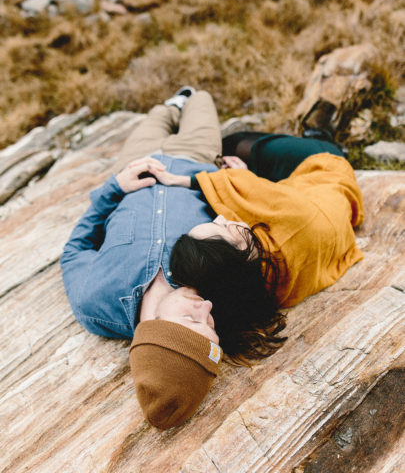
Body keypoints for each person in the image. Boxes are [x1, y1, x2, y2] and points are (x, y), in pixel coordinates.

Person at [61, 88, 225, 429]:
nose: (207, 308)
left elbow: (74, 250)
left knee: (157, 116)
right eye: (211, 325)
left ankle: (170, 106)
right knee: (203, 98)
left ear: (157, 331)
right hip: (196, 161)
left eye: (196, 322)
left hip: (136, 162)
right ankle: (186, 99)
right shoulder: (212, 281)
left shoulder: (95, 303)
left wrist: (114, 188)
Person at [148, 131, 365, 363]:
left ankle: (311, 134)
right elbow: (246, 186)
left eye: (215, 222)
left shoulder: (254, 292)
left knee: (232, 153)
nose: (222, 219)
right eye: (223, 228)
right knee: (235, 144)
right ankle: (325, 138)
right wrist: (183, 180)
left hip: (301, 196)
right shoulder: (293, 219)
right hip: (322, 167)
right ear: (241, 259)